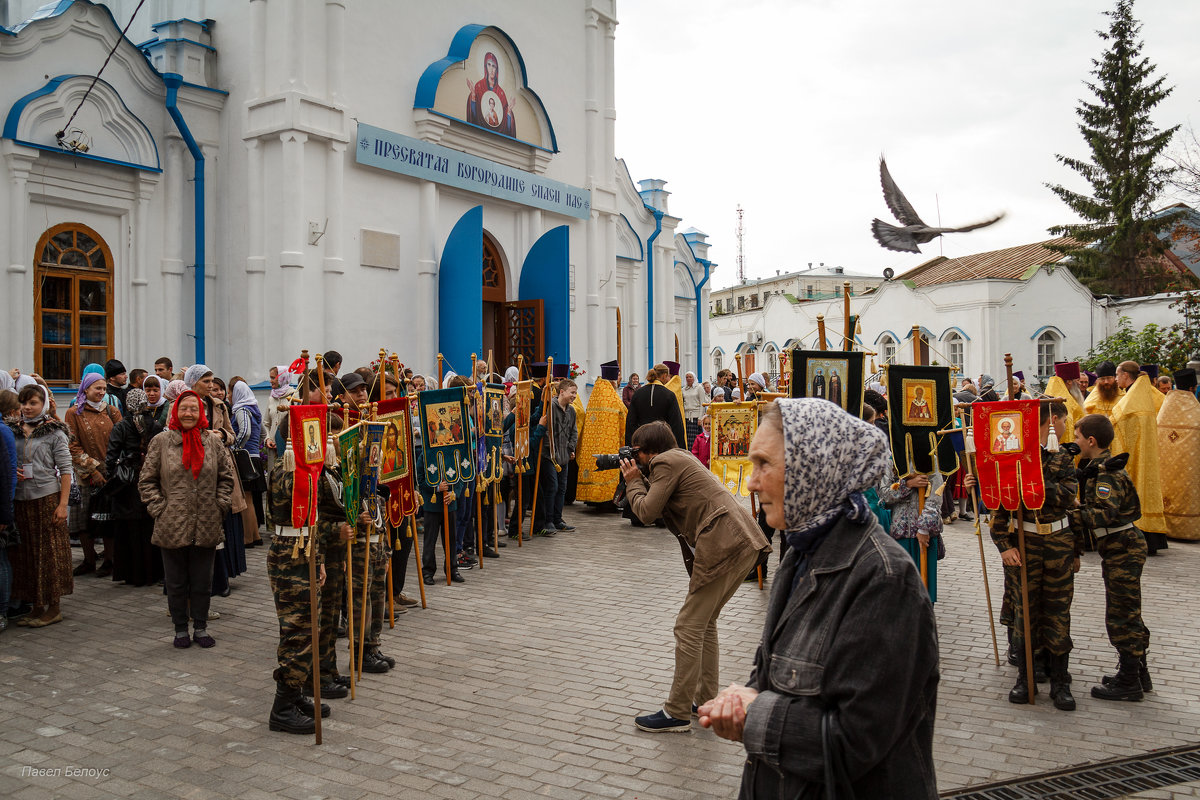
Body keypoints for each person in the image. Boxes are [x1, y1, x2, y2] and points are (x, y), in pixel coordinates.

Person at [699, 399, 939, 798]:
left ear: (813, 468)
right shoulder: (800, 551)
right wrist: (739, 700)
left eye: (764, 464)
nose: (751, 484)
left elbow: (855, 741)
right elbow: (774, 676)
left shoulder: (884, 578)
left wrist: (752, 715)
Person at [620, 420, 770, 732]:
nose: (636, 458)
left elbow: (646, 512)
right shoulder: (681, 457)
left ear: (651, 450)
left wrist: (633, 480)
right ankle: (703, 701)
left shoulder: (665, 461)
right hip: (741, 542)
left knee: (687, 626)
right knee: (704, 623)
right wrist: (641, 476)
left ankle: (675, 712)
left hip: (725, 544)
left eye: (638, 452)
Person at [972, 402, 1079, 710]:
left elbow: (1066, 497)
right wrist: (1003, 545)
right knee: (1025, 613)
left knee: (1058, 612)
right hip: (1024, 542)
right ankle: (1025, 678)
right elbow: (1000, 509)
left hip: (1057, 542)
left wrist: (1029, 478)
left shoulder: (1062, 459)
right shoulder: (1011, 463)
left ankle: (1061, 682)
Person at [138, 390, 234, 648]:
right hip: (172, 522)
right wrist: (159, 508)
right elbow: (147, 481)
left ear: (201, 413)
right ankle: (181, 628)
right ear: (175, 412)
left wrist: (220, 505)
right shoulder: (161, 442)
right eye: (184, 409)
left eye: (194, 409)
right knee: (176, 581)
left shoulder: (213, 442)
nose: (189, 413)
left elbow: (226, 478)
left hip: (206, 519)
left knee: (203, 579)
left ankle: (201, 627)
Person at [1070, 413, 1150, 702]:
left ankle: (1129, 682)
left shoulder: (1106, 474)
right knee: (1128, 610)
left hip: (1123, 547)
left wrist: (1071, 515)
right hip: (1120, 546)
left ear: (1091, 441)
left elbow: (1105, 513)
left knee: (1121, 615)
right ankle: (1139, 672)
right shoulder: (1100, 468)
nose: (1075, 442)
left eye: (1078, 438)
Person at [8, 384, 74, 628]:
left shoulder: (54, 432)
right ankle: (36, 606)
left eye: (33, 403)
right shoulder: (13, 430)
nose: (27, 407)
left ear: (43, 404)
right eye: (24, 402)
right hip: (20, 499)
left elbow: (66, 470)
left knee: (49, 554)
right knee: (27, 553)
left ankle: (54, 607)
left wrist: (63, 504)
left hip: (47, 498)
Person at [106, 388, 165, 587]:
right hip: (150, 481)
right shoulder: (155, 426)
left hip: (126, 485)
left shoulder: (121, 426)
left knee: (128, 530)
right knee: (148, 527)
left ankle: (131, 573)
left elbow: (111, 458)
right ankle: (152, 572)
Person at [67, 372, 123, 578]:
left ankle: (109, 560)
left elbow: (123, 440)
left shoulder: (112, 411)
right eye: (96, 388)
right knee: (84, 519)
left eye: (103, 389)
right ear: (86, 389)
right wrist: (93, 470)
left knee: (108, 518)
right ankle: (89, 559)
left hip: (110, 475)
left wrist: (110, 469)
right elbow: (72, 445)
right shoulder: (74, 413)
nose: (100, 392)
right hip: (86, 475)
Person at [1110, 361, 1168, 555]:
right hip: (1147, 456)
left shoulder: (1133, 402)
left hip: (1135, 456)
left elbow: (1116, 423)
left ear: (1126, 375)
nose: (1116, 379)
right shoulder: (1140, 395)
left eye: (1117, 375)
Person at [530, 377, 578, 536]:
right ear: (562, 392)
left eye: (576, 393)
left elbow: (574, 431)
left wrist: (571, 447)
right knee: (552, 486)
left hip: (564, 454)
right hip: (549, 455)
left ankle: (558, 519)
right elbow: (541, 425)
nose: (574, 396)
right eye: (572, 392)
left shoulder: (571, 410)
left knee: (562, 488)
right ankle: (548, 520)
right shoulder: (550, 407)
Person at [229, 377, 266, 547]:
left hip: (246, 459)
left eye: (231, 392)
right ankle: (256, 535)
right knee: (250, 500)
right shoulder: (255, 409)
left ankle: (247, 538)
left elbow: (245, 432)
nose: (229, 395)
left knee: (246, 501)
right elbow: (262, 433)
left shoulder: (242, 409)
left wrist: (234, 448)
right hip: (254, 457)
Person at [681, 371, 706, 447]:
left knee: (696, 439)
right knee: (687, 439)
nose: (688, 379)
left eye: (690, 377)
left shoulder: (699, 388)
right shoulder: (683, 389)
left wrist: (700, 418)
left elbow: (703, 403)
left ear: (694, 378)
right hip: (686, 416)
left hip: (696, 416)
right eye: (687, 377)